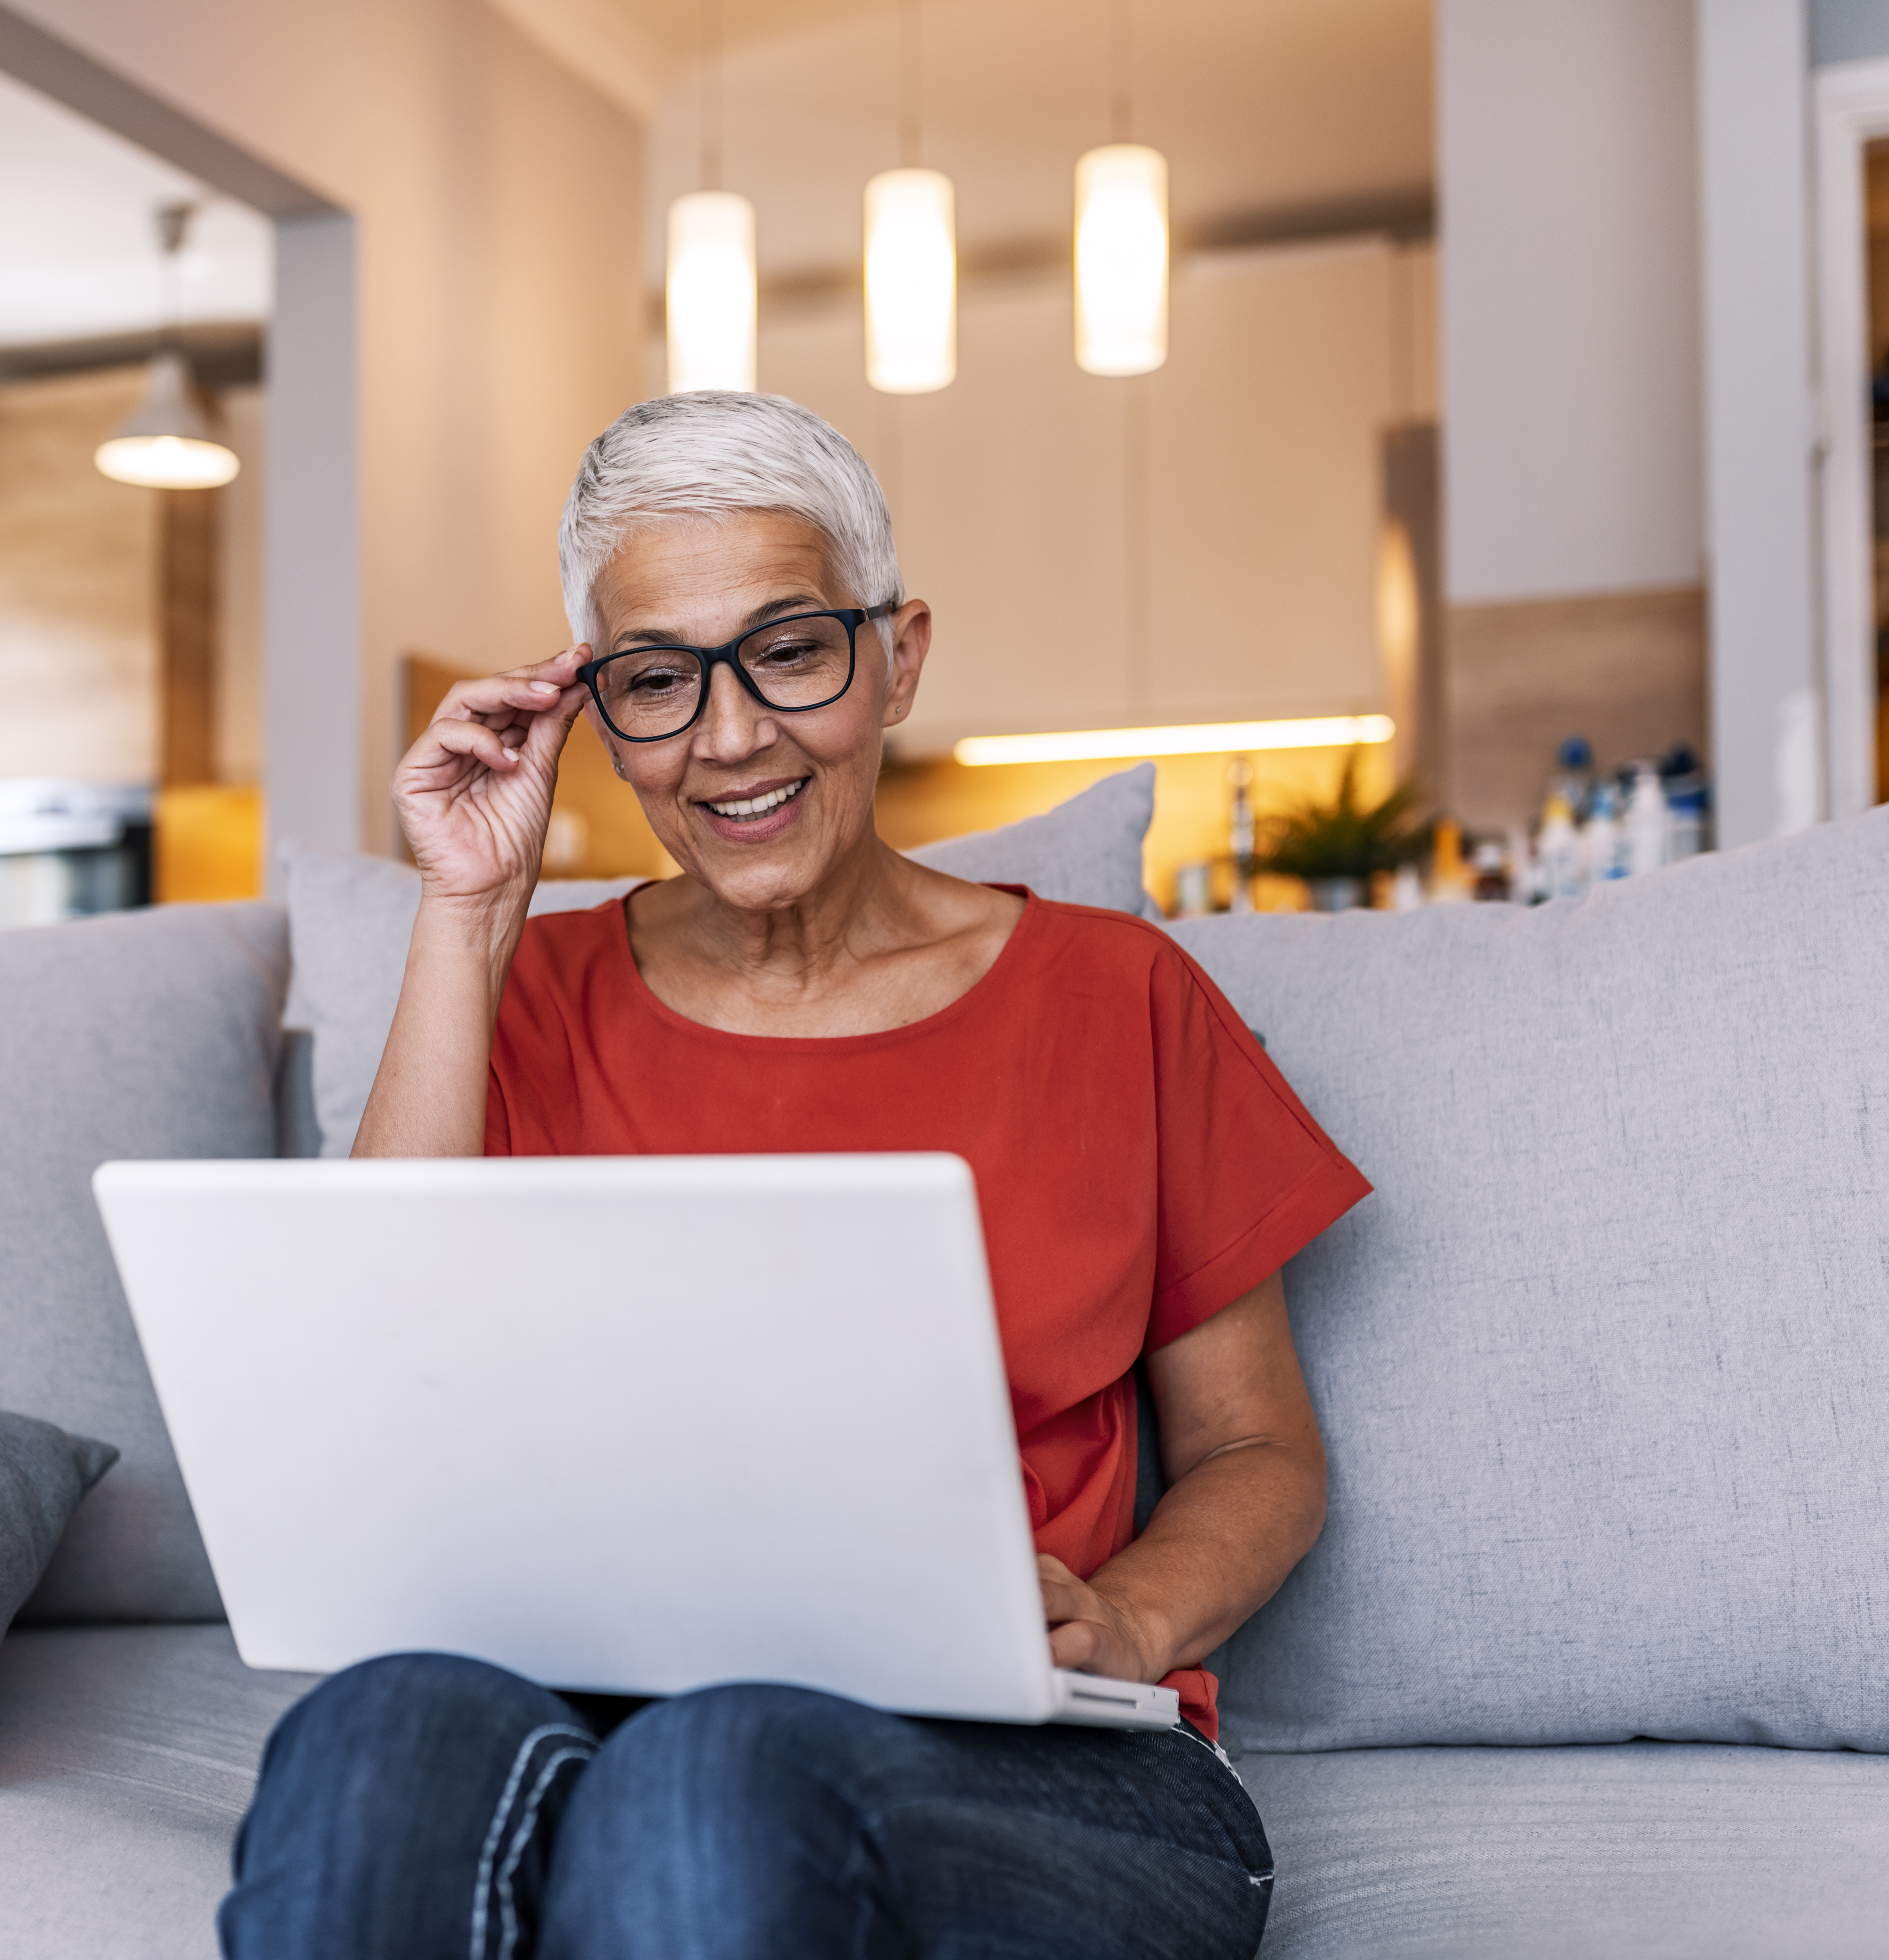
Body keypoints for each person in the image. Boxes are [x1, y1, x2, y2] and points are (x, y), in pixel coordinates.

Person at [220, 392, 1369, 1960]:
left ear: (897, 657)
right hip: (596, 1718)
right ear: (599, 717)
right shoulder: (524, 991)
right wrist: (468, 911)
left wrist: (1133, 1619)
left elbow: (1258, 1451)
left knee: (713, 1771)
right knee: (371, 1744)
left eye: (790, 649)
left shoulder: (1117, 996)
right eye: (656, 682)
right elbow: (370, 1413)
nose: (732, 734)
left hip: (1040, 1761)